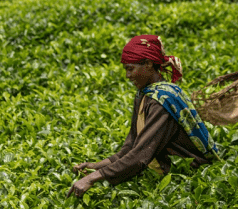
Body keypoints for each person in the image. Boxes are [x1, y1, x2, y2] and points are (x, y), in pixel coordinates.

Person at [67, 35, 221, 198]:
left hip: (187, 176)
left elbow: (140, 155)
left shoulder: (162, 101)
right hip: (164, 172)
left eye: (130, 68)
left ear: (148, 64)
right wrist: (96, 166)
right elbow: (131, 146)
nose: (127, 75)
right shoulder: (145, 94)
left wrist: (91, 179)